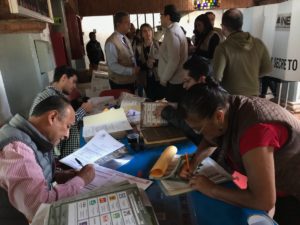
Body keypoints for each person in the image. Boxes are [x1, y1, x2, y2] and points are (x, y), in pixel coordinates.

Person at [178, 77, 300, 224]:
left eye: (199, 129)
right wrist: (195, 161)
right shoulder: (226, 104)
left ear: (219, 116)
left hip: (292, 186)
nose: (200, 135)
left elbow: (264, 201)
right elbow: (211, 138)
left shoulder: (255, 131)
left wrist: (211, 189)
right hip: (274, 181)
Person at [0, 96, 95, 224]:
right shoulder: (18, 152)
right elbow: (42, 209)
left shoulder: (31, 137)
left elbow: (34, 171)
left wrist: (57, 176)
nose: (67, 135)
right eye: (67, 126)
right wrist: (81, 180)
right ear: (52, 117)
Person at [29, 65, 93, 158]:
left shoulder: (55, 95)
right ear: (64, 78)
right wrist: (83, 110)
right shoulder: (49, 97)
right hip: (55, 156)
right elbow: (61, 124)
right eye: (73, 82)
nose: (75, 86)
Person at [213, 8, 272, 96]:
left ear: (223, 27)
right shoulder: (258, 43)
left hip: (231, 97)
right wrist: (250, 75)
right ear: (241, 24)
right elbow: (267, 69)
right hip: (253, 95)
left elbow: (217, 77)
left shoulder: (223, 47)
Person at [156, 55, 209, 145]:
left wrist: (166, 111)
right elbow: (189, 109)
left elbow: (194, 128)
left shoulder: (209, 99)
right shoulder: (197, 92)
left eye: (187, 81)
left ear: (201, 79)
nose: (184, 86)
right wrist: (174, 105)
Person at [158, 4, 188, 102]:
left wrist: (164, 79)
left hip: (174, 79)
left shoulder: (172, 32)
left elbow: (174, 60)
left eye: (161, 15)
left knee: (172, 107)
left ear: (167, 17)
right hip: (175, 77)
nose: (160, 18)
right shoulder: (173, 30)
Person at [105, 12, 140, 93]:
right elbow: (113, 65)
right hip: (120, 83)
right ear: (118, 24)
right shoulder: (111, 42)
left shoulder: (125, 38)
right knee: (124, 105)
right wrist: (131, 71)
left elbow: (130, 55)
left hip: (129, 80)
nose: (130, 25)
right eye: (126, 22)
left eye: (129, 22)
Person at [135, 23, 162, 100]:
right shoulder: (138, 47)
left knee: (161, 98)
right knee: (151, 98)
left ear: (152, 32)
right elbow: (138, 64)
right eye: (144, 31)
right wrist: (146, 64)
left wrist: (155, 62)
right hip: (146, 78)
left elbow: (165, 60)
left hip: (159, 76)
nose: (147, 33)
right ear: (141, 34)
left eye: (149, 30)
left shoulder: (159, 44)